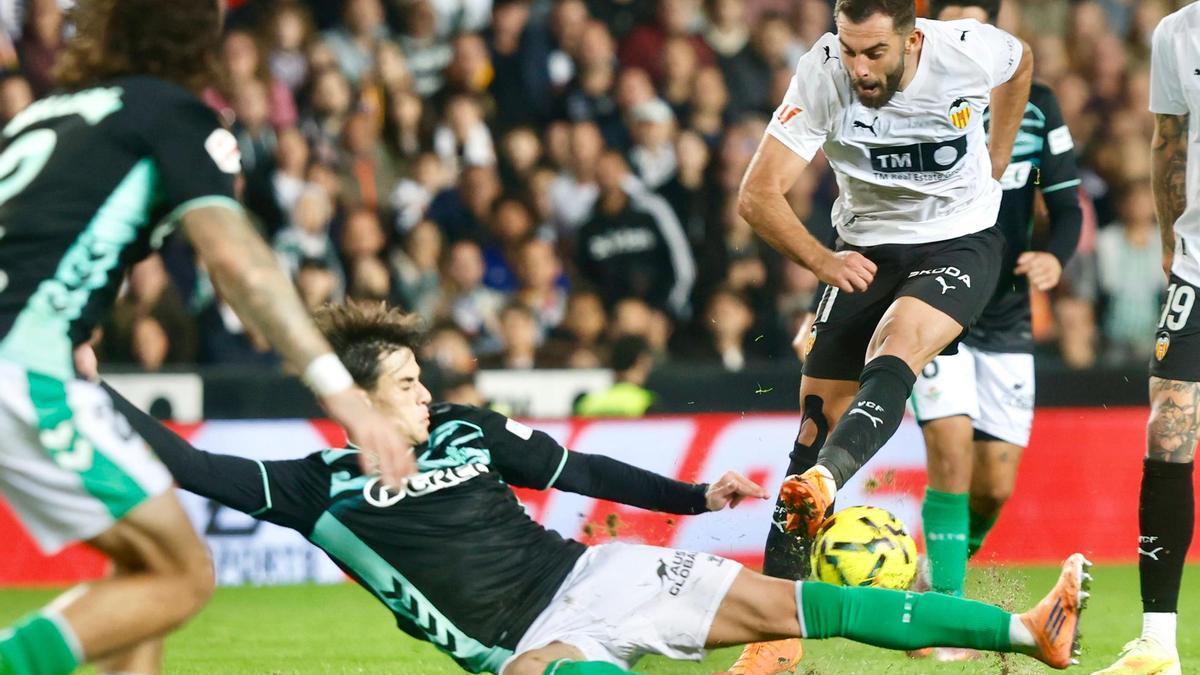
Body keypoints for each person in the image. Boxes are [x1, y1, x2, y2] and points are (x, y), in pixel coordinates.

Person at [95, 302, 1089, 675]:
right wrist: (95, 390)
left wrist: (695, 498)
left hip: (596, 575)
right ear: (355, 402)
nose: (424, 389)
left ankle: (1025, 632)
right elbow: (184, 464)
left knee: (804, 605)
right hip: (522, 647)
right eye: (404, 382)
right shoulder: (314, 488)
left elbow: (584, 470)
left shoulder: (468, 430)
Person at [0, 2, 413, 674]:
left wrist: (75, 329)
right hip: (23, 365)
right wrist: (342, 393)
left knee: (146, 573)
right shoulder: (172, 114)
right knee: (185, 577)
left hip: (34, 351)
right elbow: (238, 260)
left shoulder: (48, 114)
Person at [732, 0, 1033, 671]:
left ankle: (830, 482)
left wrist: (1001, 153)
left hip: (961, 240)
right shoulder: (822, 71)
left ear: (912, 37)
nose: (860, 69)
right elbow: (756, 194)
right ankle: (775, 640)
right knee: (810, 428)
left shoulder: (965, 49)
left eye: (875, 53)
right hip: (863, 249)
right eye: (849, 49)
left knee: (896, 342)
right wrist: (823, 262)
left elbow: (1021, 65)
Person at [906, 0, 1083, 662]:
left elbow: (1066, 205)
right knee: (950, 450)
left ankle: (931, 578)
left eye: (977, 25)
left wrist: (1055, 255)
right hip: (938, 298)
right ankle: (944, 618)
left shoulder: (1037, 101)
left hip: (1007, 309)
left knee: (995, 484)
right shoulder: (915, 98)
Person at [1095, 3, 1200, 674]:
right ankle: (1158, 640)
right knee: (1168, 428)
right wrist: (1169, 240)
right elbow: (1168, 140)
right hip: (1198, 264)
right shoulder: (1176, 32)